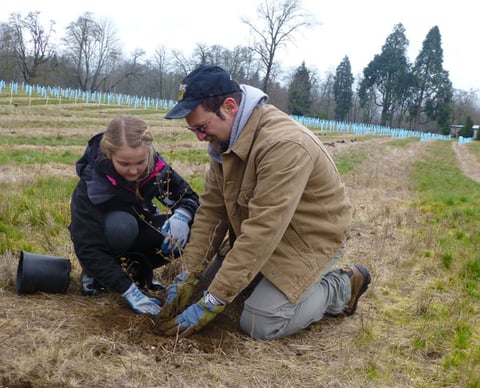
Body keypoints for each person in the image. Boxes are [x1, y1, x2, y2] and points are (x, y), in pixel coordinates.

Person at [156, 64, 371, 340]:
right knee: (199, 292)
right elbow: (212, 210)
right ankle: (260, 280)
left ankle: (342, 286)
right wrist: (189, 273)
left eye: (202, 127)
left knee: (260, 322)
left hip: (309, 239)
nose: (199, 137)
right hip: (267, 230)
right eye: (193, 130)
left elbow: (262, 231)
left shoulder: (284, 146)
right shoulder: (222, 142)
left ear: (230, 106)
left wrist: (215, 300)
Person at [69, 115, 199, 316]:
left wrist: (182, 215)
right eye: (124, 164)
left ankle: (137, 271)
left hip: (140, 231)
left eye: (140, 162)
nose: (133, 171)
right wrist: (129, 292)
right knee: (121, 226)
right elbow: (87, 247)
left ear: (149, 152)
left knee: (194, 224)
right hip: (109, 240)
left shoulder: (157, 170)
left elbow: (188, 197)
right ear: (109, 155)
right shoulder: (92, 184)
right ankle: (99, 277)